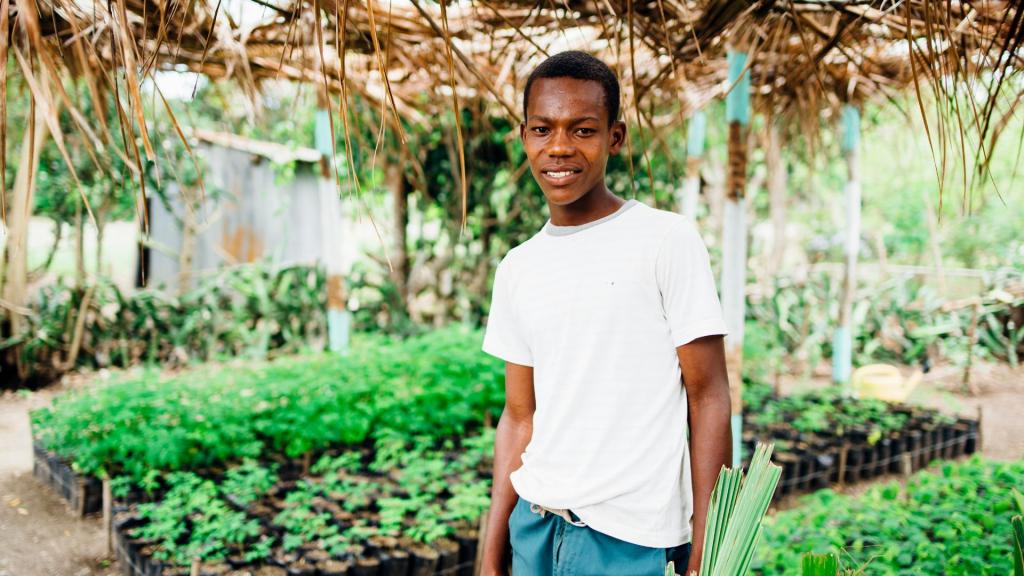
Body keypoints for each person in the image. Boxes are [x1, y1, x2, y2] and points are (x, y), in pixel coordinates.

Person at [478, 50, 732, 576]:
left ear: (615, 137)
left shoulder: (665, 240)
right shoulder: (519, 267)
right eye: (543, 129)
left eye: (583, 130)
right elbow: (519, 417)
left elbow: (708, 398)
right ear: (523, 135)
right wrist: (492, 550)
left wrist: (710, 552)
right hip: (536, 528)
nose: (560, 147)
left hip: (631, 541)